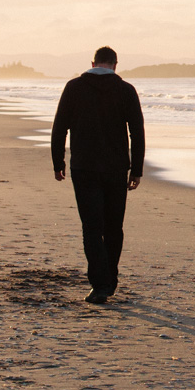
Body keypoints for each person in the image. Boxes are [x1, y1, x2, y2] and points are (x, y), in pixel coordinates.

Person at [50, 47, 145, 305]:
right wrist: (137, 169)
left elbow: (59, 127)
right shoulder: (126, 90)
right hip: (116, 168)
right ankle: (109, 279)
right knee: (114, 227)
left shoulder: (74, 87)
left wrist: (58, 161)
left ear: (93, 62)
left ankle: (100, 284)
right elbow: (137, 132)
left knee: (92, 228)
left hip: (84, 167)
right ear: (115, 65)